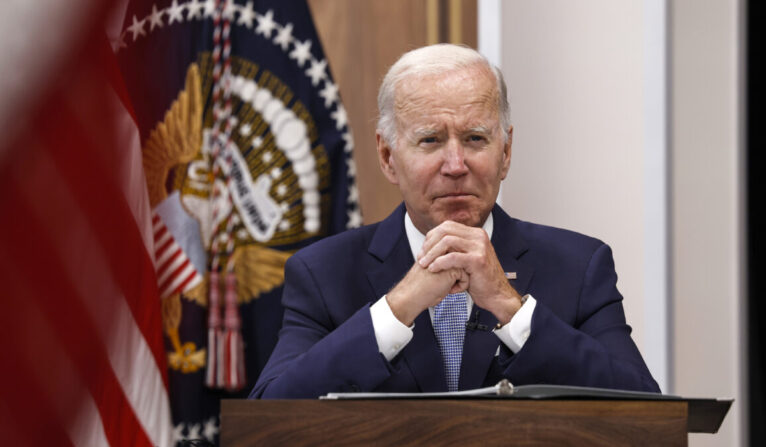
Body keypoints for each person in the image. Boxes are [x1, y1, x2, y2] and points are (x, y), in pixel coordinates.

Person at [249, 44, 660, 398]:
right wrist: (397, 308)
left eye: (475, 139)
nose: (456, 165)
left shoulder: (580, 266)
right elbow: (270, 415)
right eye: (430, 140)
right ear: (388, 157)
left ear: (506, 152)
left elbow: (647, 414)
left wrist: (510, 308)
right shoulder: (323, 273)